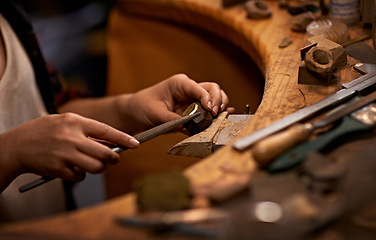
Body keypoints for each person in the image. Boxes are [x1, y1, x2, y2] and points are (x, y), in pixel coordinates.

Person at [0, 0, 234, 221]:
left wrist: (128, 109)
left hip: (55, 219)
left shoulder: (9, 12)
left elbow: (48, 110)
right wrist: (11, 152)